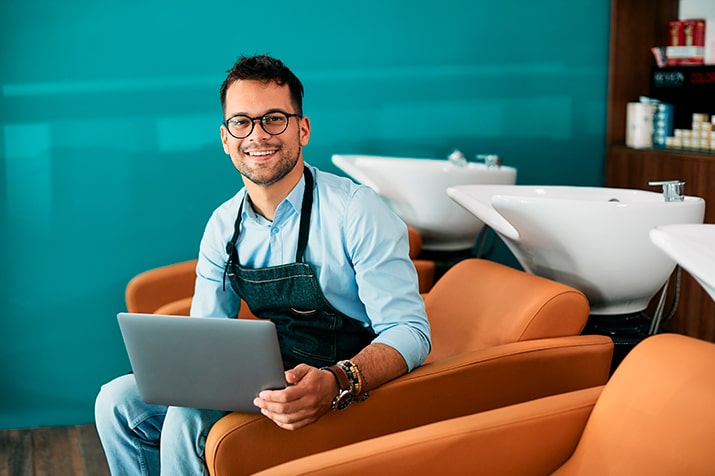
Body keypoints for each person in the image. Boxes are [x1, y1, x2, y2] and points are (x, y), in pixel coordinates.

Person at [95, 54, 431, 475]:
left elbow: (411, 332)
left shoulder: (355, 209)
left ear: (302, 129)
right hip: (269, 383)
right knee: (116, 400)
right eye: (242, 122)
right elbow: (207, 338)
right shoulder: (224, 224)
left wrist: (337, 381)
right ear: (225, 137)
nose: (258, 135)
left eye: (274, 119)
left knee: (185, 418)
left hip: (346, 388)